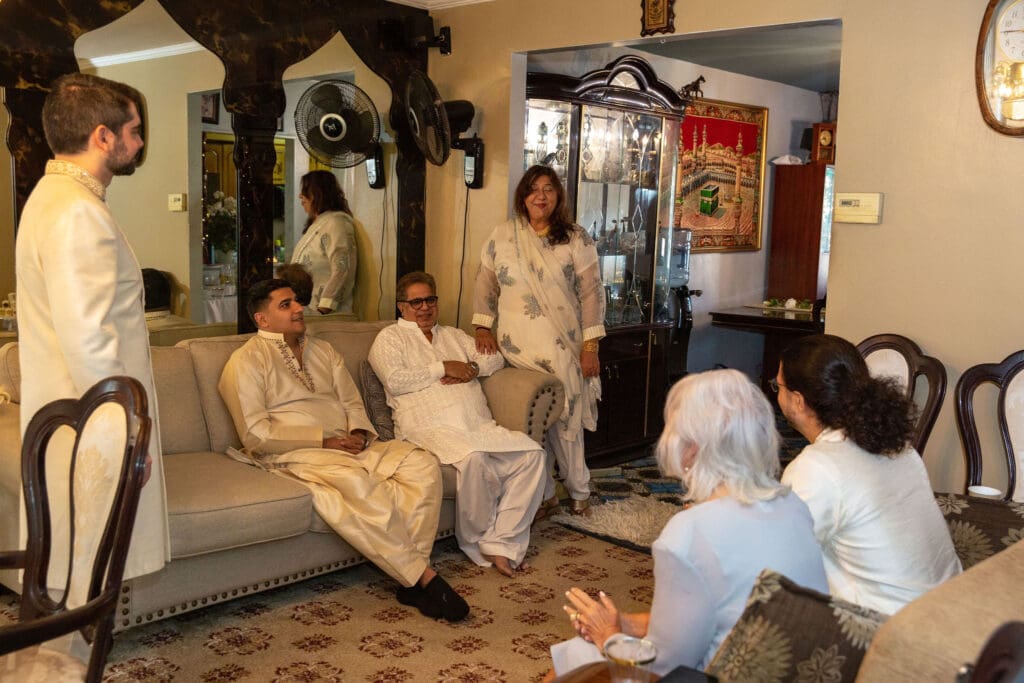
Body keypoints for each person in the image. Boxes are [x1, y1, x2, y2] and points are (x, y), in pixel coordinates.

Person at [547, 369, 828, 678]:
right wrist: (625, 624)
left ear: (691, 447)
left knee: (579, 655)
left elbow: (660, 670)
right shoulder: (791, 504)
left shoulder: (690, 531)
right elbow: (724, 610)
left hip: (722, 673)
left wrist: (608, 636)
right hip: (796, 670)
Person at [218, 279, 468, 621]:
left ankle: (410, 582)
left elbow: (351, 400)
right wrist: (323, 440)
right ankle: (422, 577)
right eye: (285, 305)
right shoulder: (245, 361)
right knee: (356, 481)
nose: (298, 309)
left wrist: (359, 432)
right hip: (296, 450)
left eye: (296, 302)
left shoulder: (323, 350)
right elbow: (255, 434)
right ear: (262, 320)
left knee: (421, 464)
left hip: (350, 444)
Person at [15, 73, 169, 591]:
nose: (140, 142)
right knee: (84, 576)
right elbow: (91, 344)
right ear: (103, 137)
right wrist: (128, 439)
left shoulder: (50, 196)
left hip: (70, 419)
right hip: (91, 428)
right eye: (134, 130)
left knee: (73, 571)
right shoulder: (78, 213)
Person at [369, 272, 547, 577]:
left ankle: (502, 541)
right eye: (416, 302)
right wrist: (442, 367)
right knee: (474, 460)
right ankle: (477, 543)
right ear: (402, 307)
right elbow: (395, 381)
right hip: (428, 428)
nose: (424, 307)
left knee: (532, 455)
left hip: (477, 425)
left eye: (430, 300)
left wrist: (472, 367)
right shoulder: (390, 338)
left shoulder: (453, 335)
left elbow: (495, 361)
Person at [776, 334, 961, 615]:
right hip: (949, 605)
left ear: (798, 401)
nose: (776, 394)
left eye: (778, 386)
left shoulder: (817, 468)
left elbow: (779, 558)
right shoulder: (897, 446)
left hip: (891, 627)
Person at [473, 165, 605, 517]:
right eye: (533, 189)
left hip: (561, 344)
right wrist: (483, 327)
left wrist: (590, 346)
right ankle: (544, 493)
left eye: (548, 189)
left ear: (558, 196)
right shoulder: (502, 236)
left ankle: (579, 490)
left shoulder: (575, 238)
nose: (541, 196)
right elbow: (485, 283)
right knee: (528, 421)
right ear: (523, 196)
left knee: (565, 419)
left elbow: (592, 293)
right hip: (516, 348)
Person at [291, 170, 357, 315]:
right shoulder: (317, 224)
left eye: (305, 191)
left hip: (326, 315)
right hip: (307, 310)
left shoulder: (336, 223)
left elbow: (342, 268)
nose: (300, 196)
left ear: (319, 193)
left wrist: (324, 308)